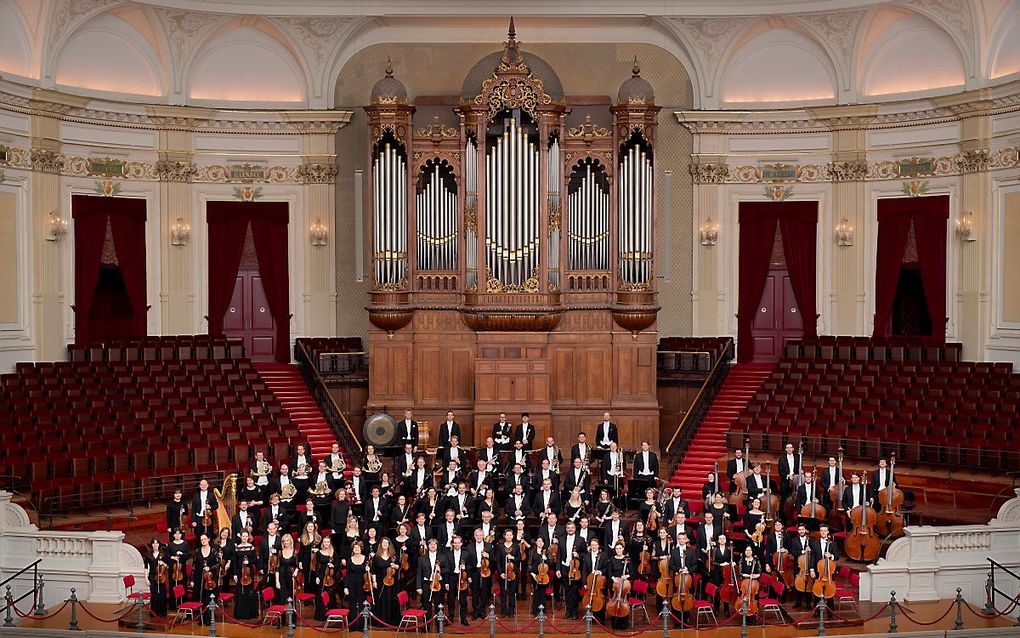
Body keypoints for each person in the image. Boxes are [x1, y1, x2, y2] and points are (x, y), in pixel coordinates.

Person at [465, 528, 493, 620]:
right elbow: (468, 563)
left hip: (485, 570)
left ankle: (482, 611)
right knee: (475, 592)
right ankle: (476, 611)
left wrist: (488, 556)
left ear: (483, 536)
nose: (479, 537)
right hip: (474, 571)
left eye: (480, 535)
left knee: (484, 592)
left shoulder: (489, 546)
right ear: (474, 536)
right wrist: (468, 575)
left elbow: (494, 559)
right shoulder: (469, 546)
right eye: (477, 535)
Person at [191, 534, 219, 624]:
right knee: (201, 598)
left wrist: (210, 568)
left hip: (211, 579)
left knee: (209, 598)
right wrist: (192, 579)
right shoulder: (197, 551)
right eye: (201, 539)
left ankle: (210, 619)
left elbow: (218, 564)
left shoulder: (214, 551)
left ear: (208, 539)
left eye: (205, 539)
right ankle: (202, 619)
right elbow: (194, 566)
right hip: (199, 578)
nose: (203, 541)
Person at [373, 538, 401, 626]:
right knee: (381, 599)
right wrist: (374, 582)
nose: (385, 544)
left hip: (391, 582)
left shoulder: (393, 556)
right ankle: (381, 621)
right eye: (383, 543)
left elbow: (398, 566)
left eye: (387, 543)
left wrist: (396, 566)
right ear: (380, 544)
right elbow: (373, 570)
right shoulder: (376, 556)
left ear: (389, 544)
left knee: (390, 599)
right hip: (380, 581)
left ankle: (391, 620)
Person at [233, 530, 260, 620]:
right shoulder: (237, 548)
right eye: (243, 536)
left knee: (249, 592)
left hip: (249, 572)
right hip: (240, 572)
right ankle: (241, 614)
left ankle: (250, 613)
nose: (244, 538)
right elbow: (235, 562)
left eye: (246, 536)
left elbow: (255, 560)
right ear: (240, 537)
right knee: (240, 592)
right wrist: (235, 574)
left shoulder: (251, 547)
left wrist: (249, 561)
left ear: (248, 537)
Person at [344, 540, 370, 630]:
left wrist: (368, 569)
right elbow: (347, 575)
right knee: (352, 605)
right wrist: (345, 587)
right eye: (355, 548)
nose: (356, 549)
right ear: (353, 549)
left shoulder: (365, 559)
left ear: (361, 549)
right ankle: (352, 626)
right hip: (351, 584)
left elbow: (369, 574)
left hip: (362, 585)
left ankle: (363, 626)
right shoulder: (349, 559)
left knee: (362, 605)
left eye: (358, 547)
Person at [313, 536, 340, 621]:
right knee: (321, 594)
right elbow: (317, 566)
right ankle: (321, 615)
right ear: (322, 543)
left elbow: (337, 565)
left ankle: (332, 613)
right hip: (322, 575)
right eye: (325, 542)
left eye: (328, 542)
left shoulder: (333, 552)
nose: (326, 543)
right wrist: (317, 576)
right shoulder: (319, 553)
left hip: (331, 576)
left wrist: (333, 566)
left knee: (331, 594)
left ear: (330, 543)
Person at [495, 529, 520, 617]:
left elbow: (519, 559)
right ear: (504, 536)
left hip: (513, 573)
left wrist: (513, 557)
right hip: (503, 573)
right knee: (503, 593)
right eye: (507, 535)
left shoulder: (516, 546)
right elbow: (497, 561)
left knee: (512, 593)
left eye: (510, 535)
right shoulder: (500, 546)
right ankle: (503, 610)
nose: (509, 537)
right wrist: (501, 572)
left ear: (513, 536)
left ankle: (511, 611)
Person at [528, 536, 554, 616]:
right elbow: (529, 563)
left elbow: (551, 563)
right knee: (537, 592)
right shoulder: (532, 551)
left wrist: (545, 558)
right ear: (536, 542)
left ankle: (542, 609)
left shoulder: (546, 552)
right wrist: (533, 574)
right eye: (538, 541)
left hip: (544, 575)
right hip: (535, 575)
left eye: (542, 541)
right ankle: (536, 610)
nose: (540, 543)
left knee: (542, 592)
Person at [144, 538, 168, 618]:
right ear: (151, 545)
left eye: (157, 543)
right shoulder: (148, 554)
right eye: (154, 543)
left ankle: (162, 612)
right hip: (152, 576)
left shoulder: (163, 554)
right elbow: (146, 567)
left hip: (162, 576)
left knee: (162, 594)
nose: (155, 545)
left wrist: (164, 564)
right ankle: (154, 613)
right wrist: (146, 579)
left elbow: (167, 566)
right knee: (154, 594)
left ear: (159, 544)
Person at [167, 528, 190, 609]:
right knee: (173, 585)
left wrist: (182, 554)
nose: (177, 535)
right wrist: (172, 557)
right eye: (176, 534)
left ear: (181, 535)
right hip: (173, 569)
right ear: (173, 535)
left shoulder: (185, 544)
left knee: (182, 584)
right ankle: (173, 604)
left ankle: (183, 602)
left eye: (179, 533)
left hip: (181, 568)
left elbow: (188, 555)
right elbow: (167, 556)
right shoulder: (170, 544)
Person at [276, 534, 299, 606]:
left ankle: (293, 617)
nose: (285, 542)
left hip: (291, 577)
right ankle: (282, 617)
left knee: (291, 596)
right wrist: (277, 581)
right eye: (284, 541)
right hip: (282, 577)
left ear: (290, 541)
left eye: (287, 541)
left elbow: (297, 565)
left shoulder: (294, 552)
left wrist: (296, 571)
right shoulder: (280, 552)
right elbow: (277, 568)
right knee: (282, 597)